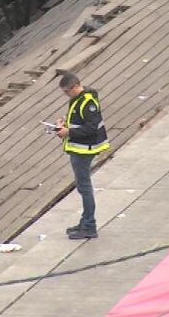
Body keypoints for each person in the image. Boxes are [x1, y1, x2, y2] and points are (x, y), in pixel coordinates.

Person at [54, 72, 109, 240]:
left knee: (85, 188)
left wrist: (68, 132)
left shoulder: (88, 102)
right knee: (82, 186)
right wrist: (64, 123)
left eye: (67, 91)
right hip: (78, 148)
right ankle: (85, 220)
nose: (66, 95)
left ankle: (89, 226)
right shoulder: (77, 99)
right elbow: (79, 119)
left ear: (76, 86)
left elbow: (91, 128)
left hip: (85, 149)